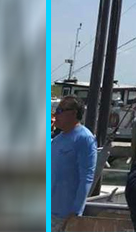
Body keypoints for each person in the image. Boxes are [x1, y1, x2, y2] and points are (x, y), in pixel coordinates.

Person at [51, 96, 98, 231]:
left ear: (73, 113)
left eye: (60, 110)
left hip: (64, 216)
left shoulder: (85, 138)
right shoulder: (57, 139)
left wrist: (76, 212)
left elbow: (87, 177)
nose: (55, 114)